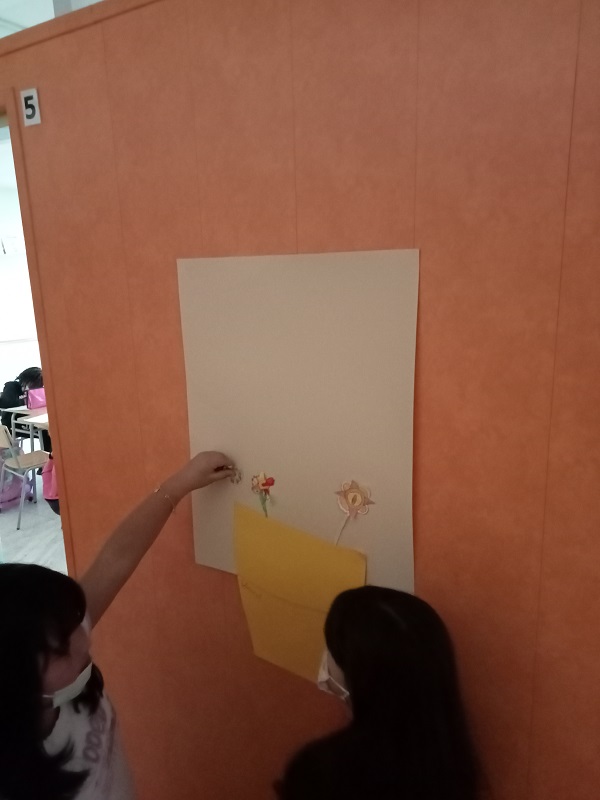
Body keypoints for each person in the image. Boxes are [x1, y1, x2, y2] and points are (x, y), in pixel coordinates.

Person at [0, 450, 235, 800]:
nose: (83, 634)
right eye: (61, 647)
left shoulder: (63, 652)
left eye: (73, 619)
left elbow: (117, 557)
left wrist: (179, 483)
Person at [276, 586, 480, 800]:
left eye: (333, 649)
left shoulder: (323, 774)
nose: (326, 656)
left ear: (359, 674)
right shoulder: (452, 766)